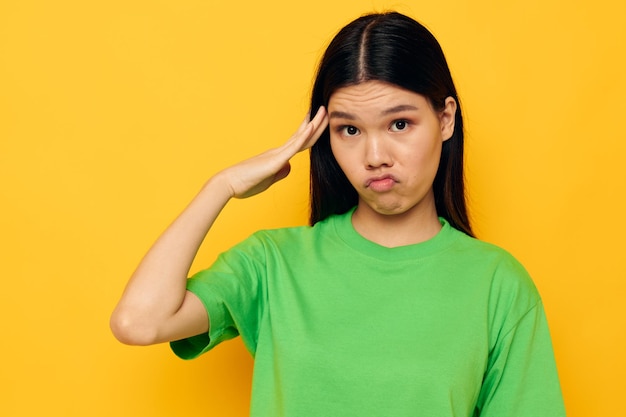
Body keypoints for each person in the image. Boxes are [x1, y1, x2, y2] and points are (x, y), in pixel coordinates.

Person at [111, 11, 566, 417]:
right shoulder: (274, 264)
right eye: (348, 129)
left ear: (445, 119)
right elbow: (138, 322)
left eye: (399, 124)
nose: (374, 156)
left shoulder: (497, 285)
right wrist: (221, 186)